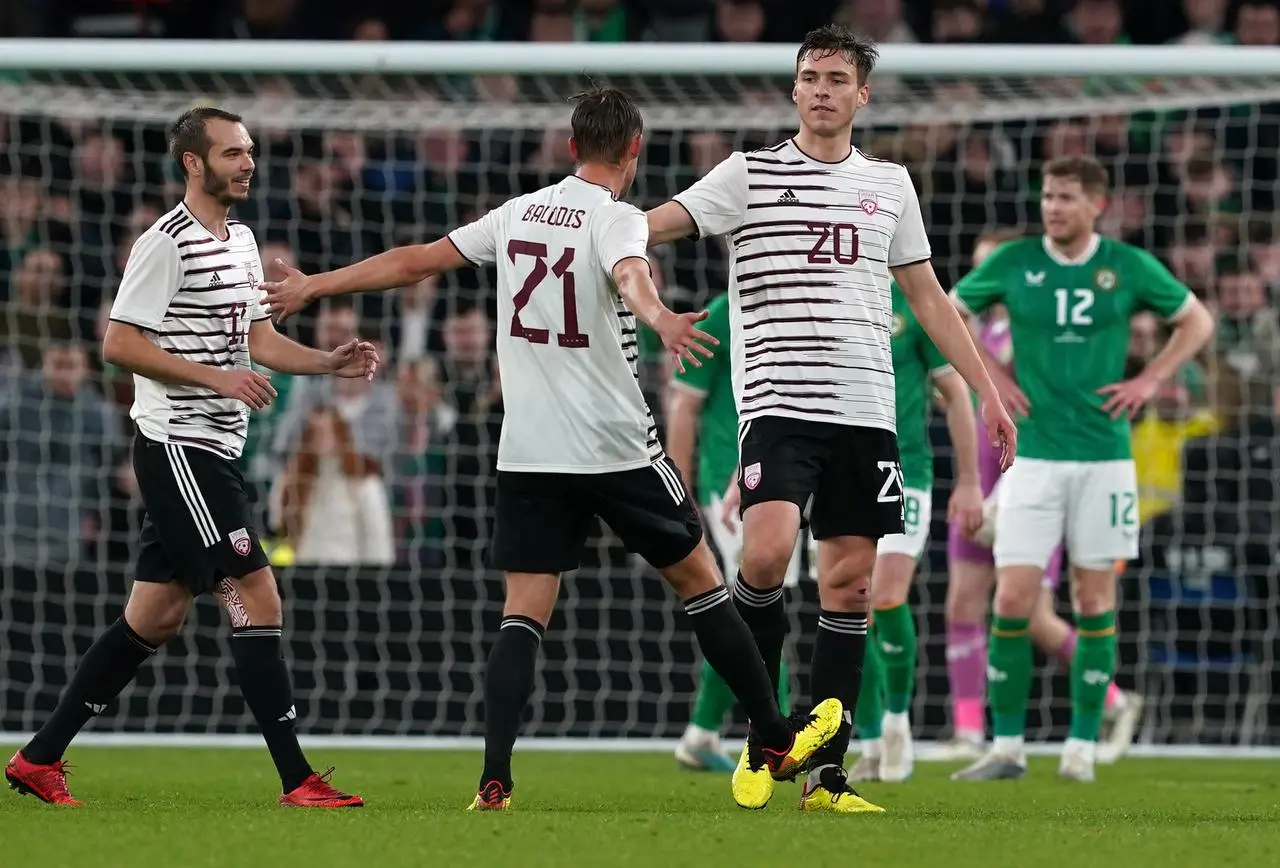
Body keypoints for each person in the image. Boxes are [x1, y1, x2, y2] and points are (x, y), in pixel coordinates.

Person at [260, 85, 844, 812]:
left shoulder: (518, 213)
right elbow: (632, 273)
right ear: (636, 148)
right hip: (613, 446)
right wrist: (659, 316)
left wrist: (317, 283)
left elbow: (416, 261)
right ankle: (773, 735)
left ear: (571, 147)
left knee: (523, 614)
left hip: (530, 451)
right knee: (700, 582)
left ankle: (494, 779)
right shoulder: (619, 218)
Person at [644, 24, 1017, 814]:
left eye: (836, 79)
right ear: (794, 89)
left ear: (861, 95)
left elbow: (928, 298)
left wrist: (985, 389)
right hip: (778, 409)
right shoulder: (746, 174)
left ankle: (826, 777)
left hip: (866, 414)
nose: (821, 89)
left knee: (851, 590)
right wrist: (597, 240)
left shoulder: (891, 185)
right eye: (810, 76)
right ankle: (765, 735)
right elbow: (648, 225)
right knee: (767, 555)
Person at [5, 107, 375, 808]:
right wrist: (215, 378)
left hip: (218, 449)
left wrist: (328, 363)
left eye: (251, 151)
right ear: (193, 164)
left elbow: (258, 342)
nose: (247, 163)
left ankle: (38, 757)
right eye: (232, 152)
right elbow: (118, 344)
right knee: (256, 593)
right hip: (179, 446)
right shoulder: (163, 243)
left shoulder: (241, 239)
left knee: (156, 615)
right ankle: (297, 779)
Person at [949, 156, 1213, 783]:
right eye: (1047, 196)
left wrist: (1150, 379)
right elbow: (952, 313)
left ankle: (1080, 749)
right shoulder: (1012, 264)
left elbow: (1196, 320)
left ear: (1097, 204)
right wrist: (990, 380)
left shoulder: (1126, 266)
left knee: (1093, 599)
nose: (1053, 207)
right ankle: (1007, 748)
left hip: (1104, 462)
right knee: (1011, 599)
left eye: (1066, 197)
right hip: (1033, 461)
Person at [938, 230, 1144, 767]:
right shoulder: (969, 336)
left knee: (1029, 613)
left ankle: (1113, 699)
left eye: (989, 270)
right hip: (978, 487)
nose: (979, 281)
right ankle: (968, 731)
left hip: (1023, 485)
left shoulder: (1022, 340)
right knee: (963, 603)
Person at [847, 280, 985, 784]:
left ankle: (898, 723)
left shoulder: (916, 302)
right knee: (848, 605)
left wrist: (969, 482)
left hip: (904, 472)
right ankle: (868, 742)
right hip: (839, 469)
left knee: (884, 596)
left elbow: (957, 396)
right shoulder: (828, 294)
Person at [665, 289, 792, 772]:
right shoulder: (723, 313)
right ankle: (776, 739)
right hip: (732, 482)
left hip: (782, 475)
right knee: (761, 607)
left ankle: (701, 732)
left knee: (750, 607)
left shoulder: (793, 301)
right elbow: (685, 405)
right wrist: (679, 488)